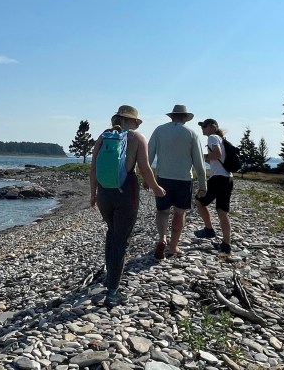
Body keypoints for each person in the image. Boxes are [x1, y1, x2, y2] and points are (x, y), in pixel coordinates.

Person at [90, 105, 165, 307]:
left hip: (105, 192)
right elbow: (145, 168)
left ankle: (110, 275)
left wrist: (93, 195)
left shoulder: (104, 136)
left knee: (112, 232)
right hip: (126, 192)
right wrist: (157, 188)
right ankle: (113, 292)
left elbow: (94, 167)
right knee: (121, 240)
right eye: (135, 121)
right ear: (131, 121)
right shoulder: (137, 138)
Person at [147, 104, 207, 259]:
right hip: (184, 179)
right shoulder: (191, 133)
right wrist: (203, 185)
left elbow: (149, 156)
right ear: (185, 118)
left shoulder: (159, 130)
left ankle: (162, 239)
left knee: (162, 211)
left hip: (163, 177)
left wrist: (147, 179)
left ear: (172, 116)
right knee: (180, 213)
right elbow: (199, 163)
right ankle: (173, 247)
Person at [193, 118, 235, 254]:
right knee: (222, 211)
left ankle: (209, 230)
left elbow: (217, 154)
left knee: (199, 200)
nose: (202, 129)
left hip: (218, 178)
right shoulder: (222, 139)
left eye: (204, 126)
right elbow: (219, 157)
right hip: (228, 178)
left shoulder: (212, 137)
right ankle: (226, 245)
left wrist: (202, 158)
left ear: (212, 127)